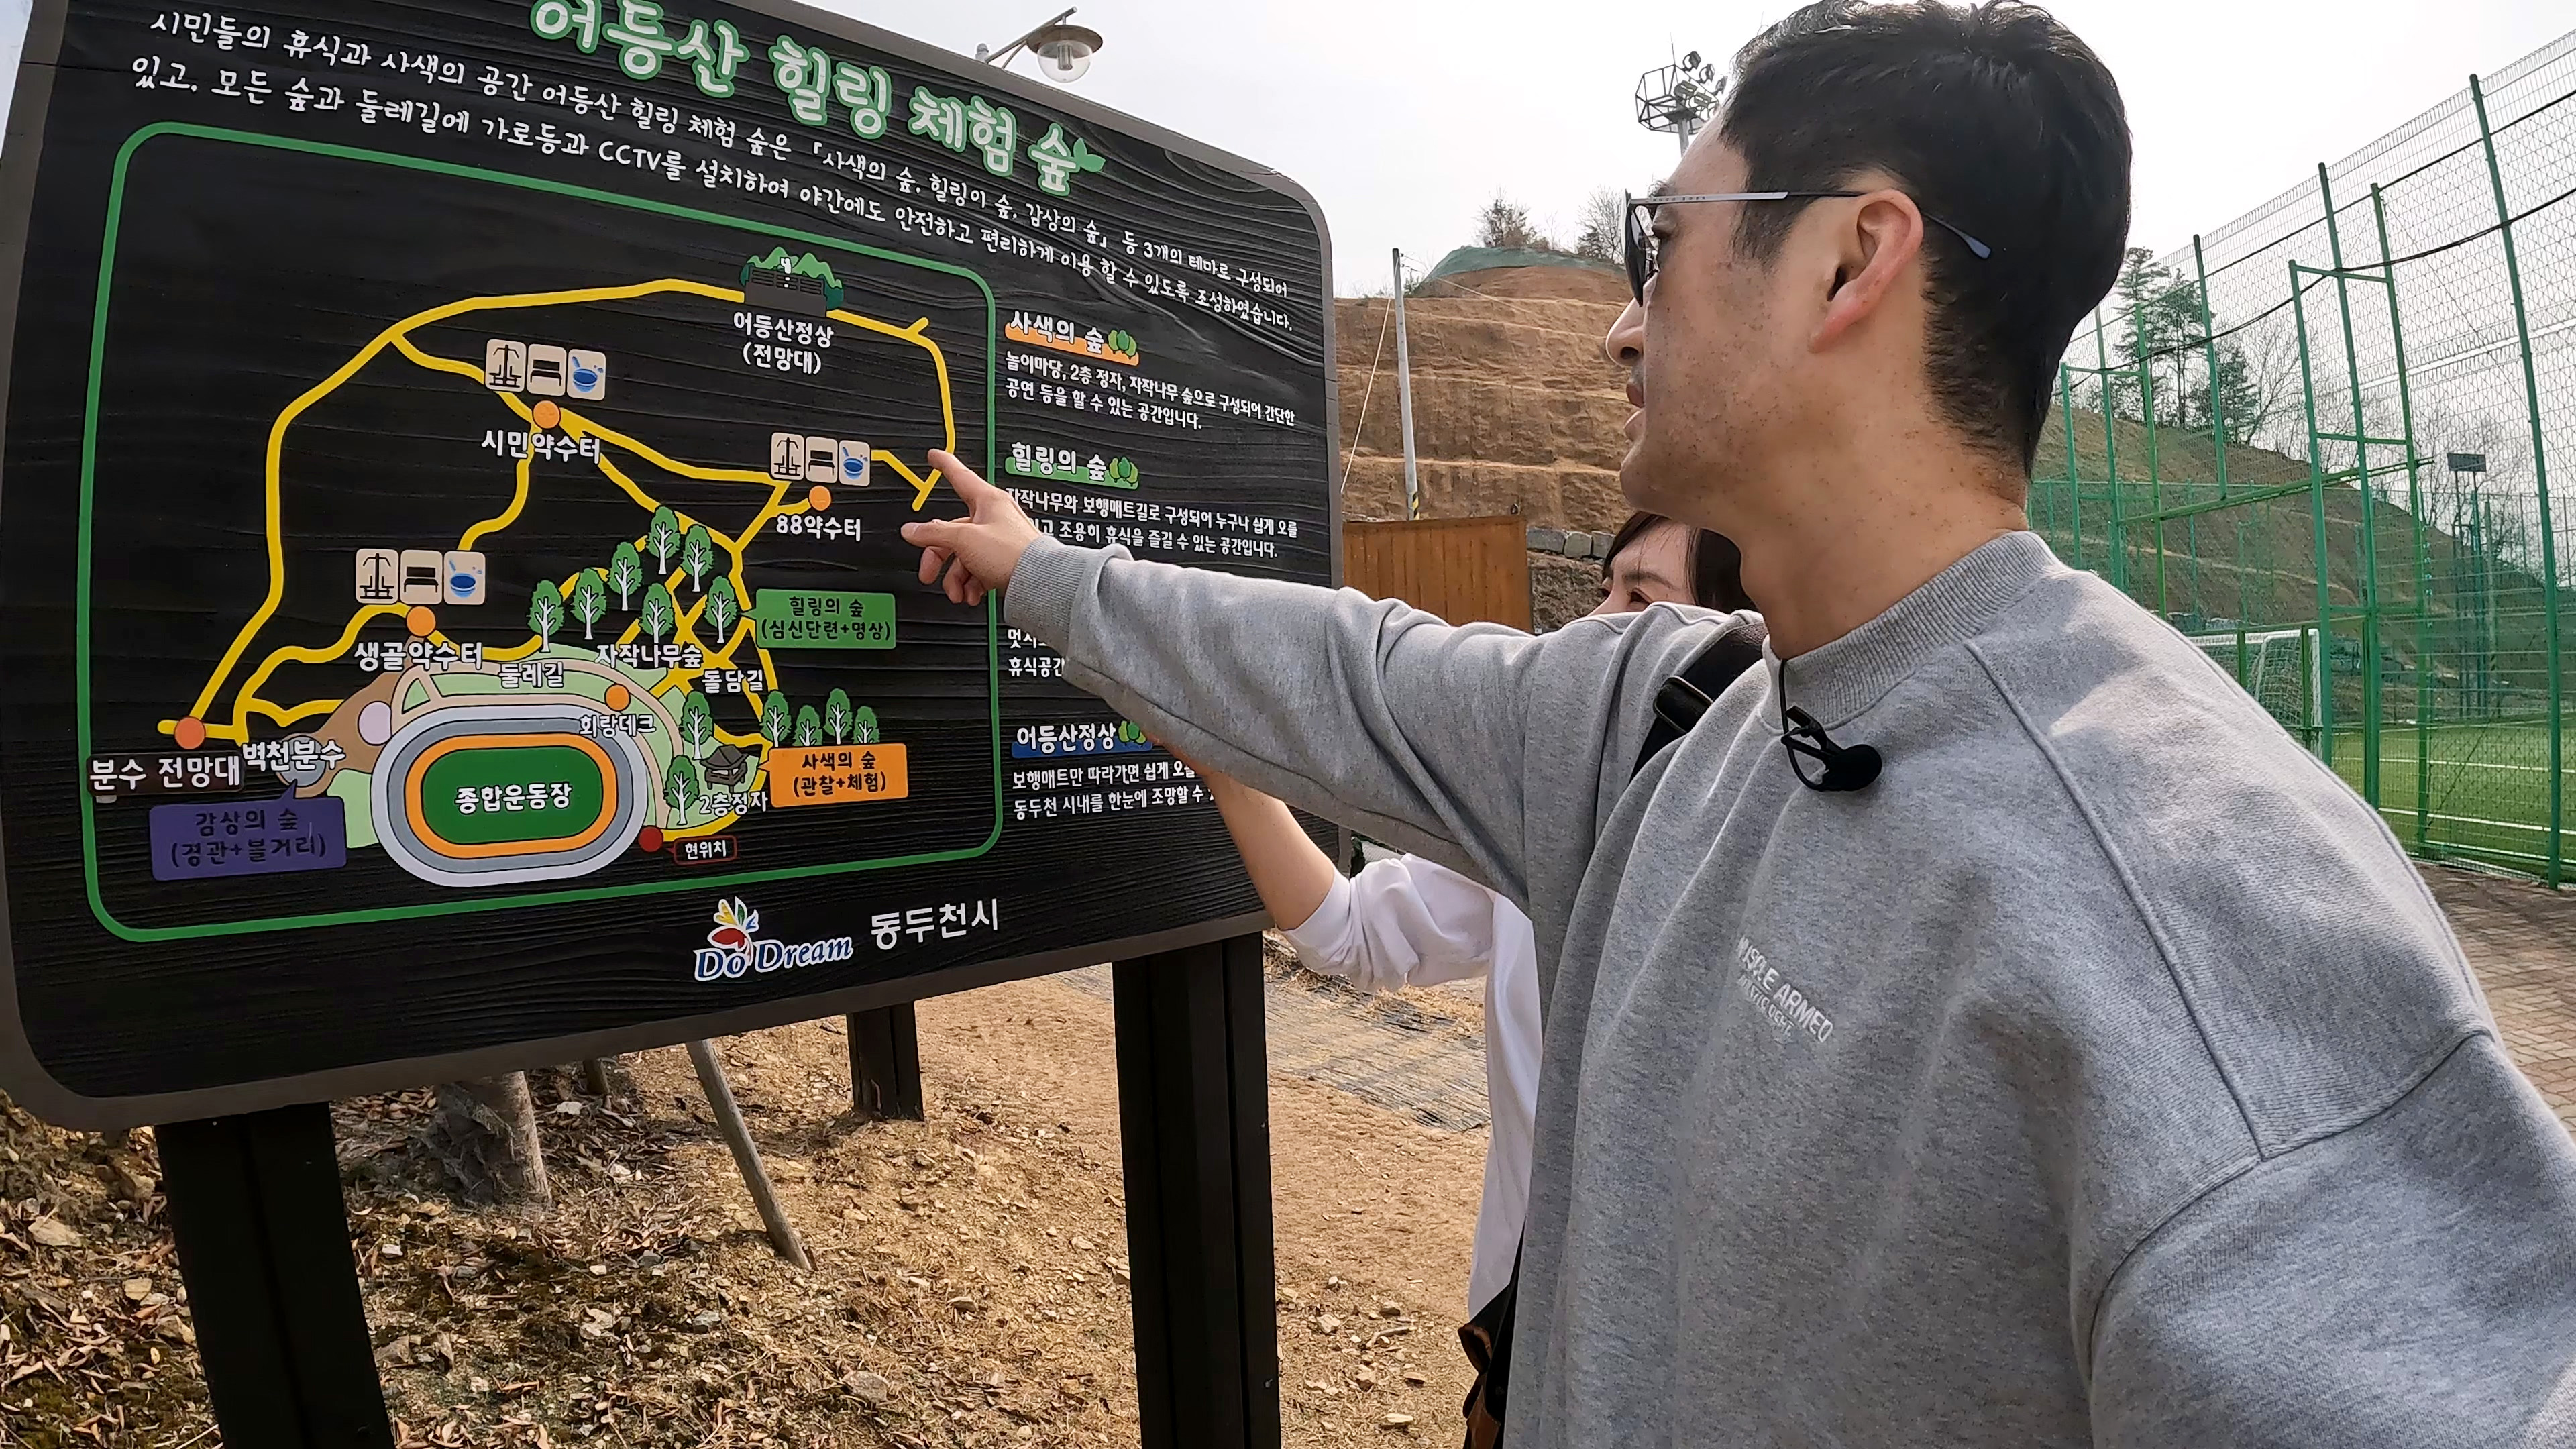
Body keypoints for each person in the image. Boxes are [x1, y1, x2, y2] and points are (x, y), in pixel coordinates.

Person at [908, 2, 2576, 1444]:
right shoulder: (1667, 708)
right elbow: (1357, 671)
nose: (1623, 323)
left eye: (1662, 245)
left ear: (1850, 259)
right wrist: (1045, 575)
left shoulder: (2194, 908)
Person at [1187, 511, 1753, 1327]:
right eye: (1603, 590)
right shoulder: (1543, 816)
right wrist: (1230, 776)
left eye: (1640, 600)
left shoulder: (1777, 869)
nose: (1589, 630)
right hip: (1522, 1324)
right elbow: (1353, 930)